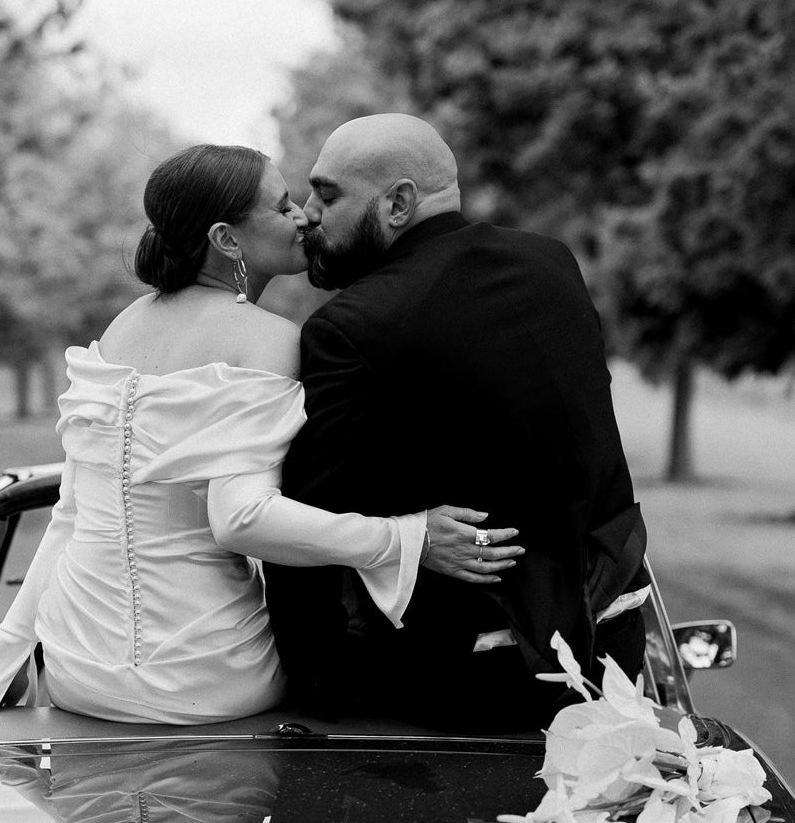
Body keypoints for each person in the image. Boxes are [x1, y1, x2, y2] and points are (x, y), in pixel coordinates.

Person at [0, 143, 520, 725]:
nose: (303, 217)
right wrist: (406, 537)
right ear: (226, 238)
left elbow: (71, 517)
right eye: (282, 206)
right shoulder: (265, 338)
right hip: (208, 673)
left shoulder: (120, 328)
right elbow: (241, 519)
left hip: (79, 670)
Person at [263, 114, 649, 730]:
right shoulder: (552, 266)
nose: (308, 213)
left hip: (461, 693)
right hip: (611, 655)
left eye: (327, 193)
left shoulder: (352, 327)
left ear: (397, 203)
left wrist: (314, 694)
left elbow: (311, 530)